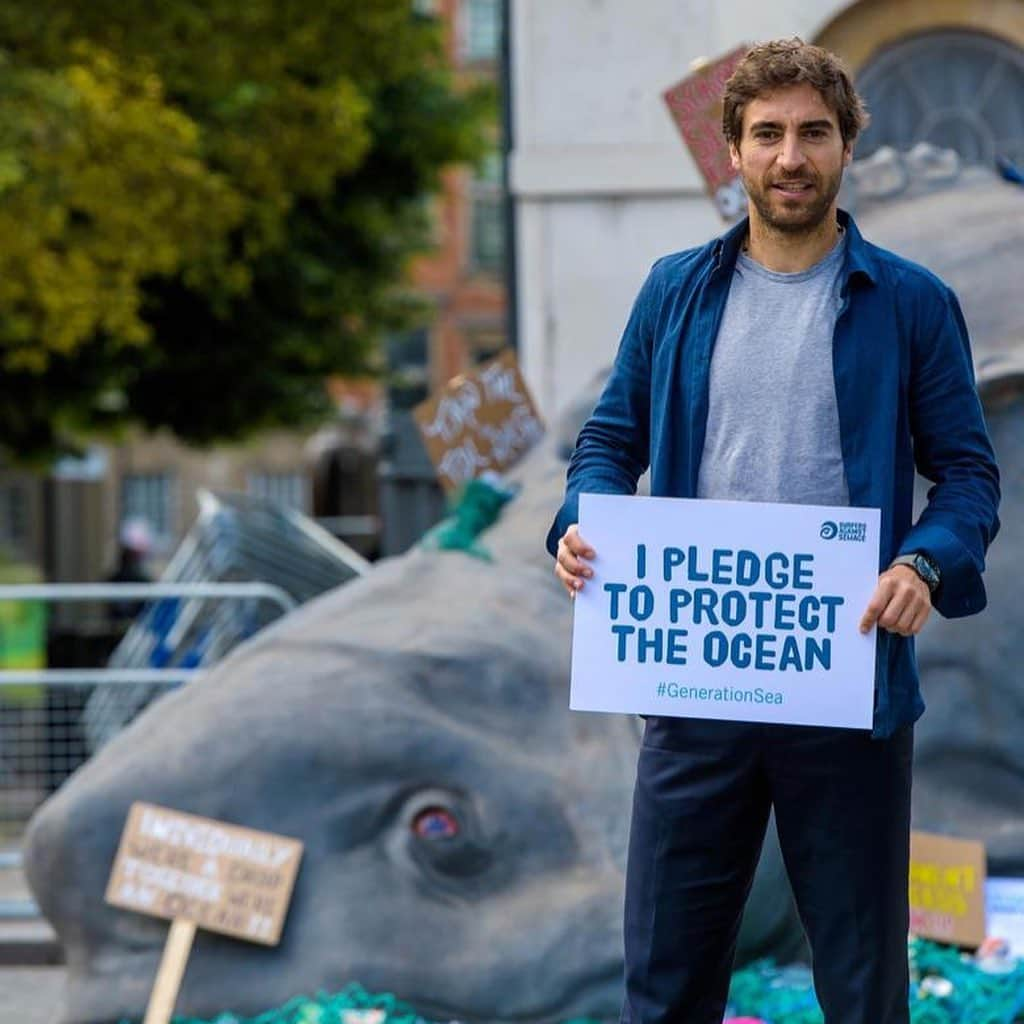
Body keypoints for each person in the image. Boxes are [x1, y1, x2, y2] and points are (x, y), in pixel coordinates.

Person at [546, 39, 1000, 1024]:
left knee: (861, 985)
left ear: (845, 149)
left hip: (848, 682)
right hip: (691, 678)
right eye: (767, 135)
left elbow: (967, 475)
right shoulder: (673, 290)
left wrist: (926, 560)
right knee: (665, 980)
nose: (790, 156)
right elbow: (606, 443)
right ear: (734, 153)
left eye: (812, 133)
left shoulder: (912, 303)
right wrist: (581, 523)